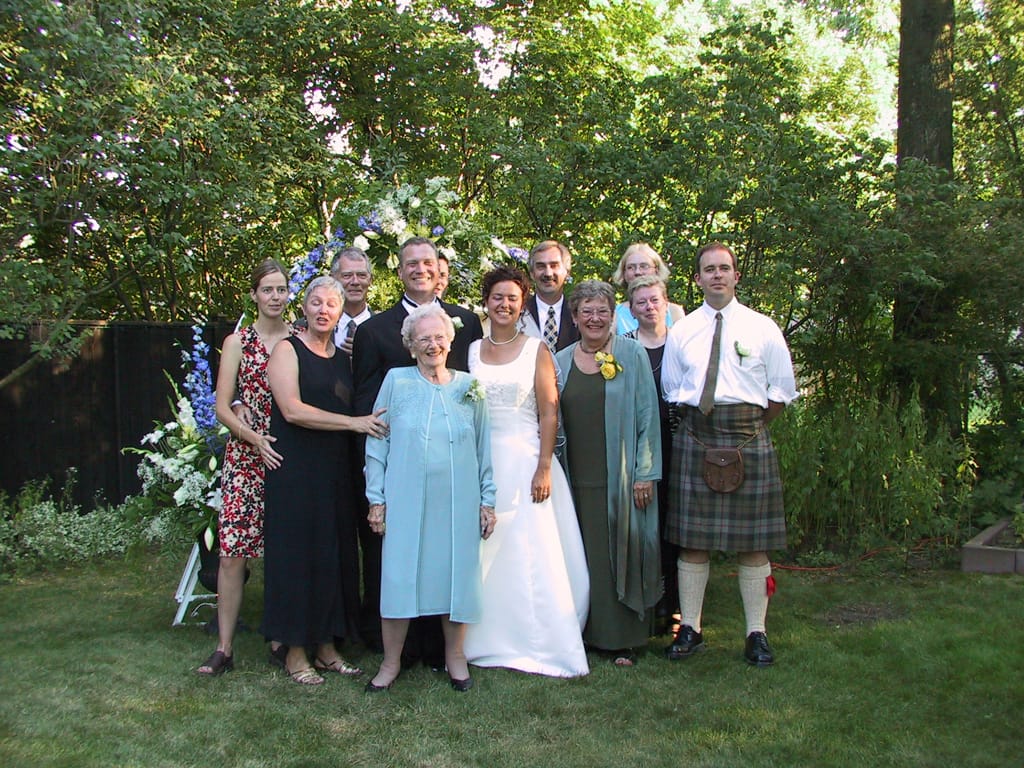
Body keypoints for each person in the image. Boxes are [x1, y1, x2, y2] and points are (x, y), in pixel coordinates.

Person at [661, 242, 798, 668]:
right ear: (698, 278)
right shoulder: (681, 330)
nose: (717, 275)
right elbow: (671, 388)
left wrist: (747, 432)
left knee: (754, 546)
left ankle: (756, 633)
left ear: (737, 276)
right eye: (708, 269)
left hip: (747, 436)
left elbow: (780, 392)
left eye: (724, 268)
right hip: (696, 435)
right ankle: (691, 629)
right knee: (692, 543)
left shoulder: (763, 328)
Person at [352, 236, 483, 661]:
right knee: (400, 568)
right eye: (411, 262)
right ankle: (395, 654)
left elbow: (478, 426)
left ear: (440, 267)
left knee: (449, 568)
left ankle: (446, 654)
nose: (420, 269)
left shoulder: (467, 323)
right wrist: (378, 493)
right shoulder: (375, 332)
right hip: (404, 474)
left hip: (454, 476)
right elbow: (371, 415)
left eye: (428, 262)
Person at [261, 276, 389, 686]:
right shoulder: (287, 350)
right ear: (304, 308)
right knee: (298, 557)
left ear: (340, 311)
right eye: (315, 302)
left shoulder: (342, 357)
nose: (323, 310)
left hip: (335, 469)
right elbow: (293, 410)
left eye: (330, 304)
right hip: (296, 469)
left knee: (335, 555)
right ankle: (295, 652)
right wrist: (353, 423)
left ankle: (328, 647)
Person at [463, 266, 590, 678]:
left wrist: (543, 467)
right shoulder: (470, 350)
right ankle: (481, 639)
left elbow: (549, 410)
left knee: (530, 549)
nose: (504, 304)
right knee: (486, 549)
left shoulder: (536, 348)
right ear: (487, 301)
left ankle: (538, 639)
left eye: (512, 299)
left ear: (522, 305)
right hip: (483, 461)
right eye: (497, 297)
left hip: (526, 458)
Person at [364, 304, 497, 692]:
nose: (432, 344)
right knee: (399, 575)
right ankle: (390, 663)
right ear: (410, 345)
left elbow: (484, 447)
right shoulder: (396, 381)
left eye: (439, 337)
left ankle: (455, 658)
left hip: (457, 499)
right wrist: (377, 499)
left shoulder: (468, 386)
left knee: (456, 574)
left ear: (450, 341)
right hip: (404, 497)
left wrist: (487, 500)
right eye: (423, 338)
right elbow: (377, 442)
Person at [555, 280, 662, 666]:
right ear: (575, 317)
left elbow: (648, 416)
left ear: (613, 315)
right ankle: (583, 633)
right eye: (587, 311)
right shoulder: (560, 360)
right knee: (581, 556)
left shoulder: (631, 355)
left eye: (602, 310)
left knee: (620, 553)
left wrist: (645, 473)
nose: (595, 318)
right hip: (574, 478)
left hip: (620, 476)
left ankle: (623, 639)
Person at [196, 260, 291, 676]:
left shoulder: (299, 339)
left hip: (288, 456)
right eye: (267, 289)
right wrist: (252, 437)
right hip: (246, 459)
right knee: (234, 554)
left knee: (286, 553)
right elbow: (222, 405)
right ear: (254, 295)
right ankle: (224, 647)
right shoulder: (237, 342)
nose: (275, 296)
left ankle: (282, 636)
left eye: (281, 289)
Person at [623, 275, 679, 631]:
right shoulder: (622, 346)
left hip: (679, 442)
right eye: (641, 302)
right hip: (639, 445)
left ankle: (675, 605)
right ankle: (644, 601)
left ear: (666, 303)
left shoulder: (683, 343)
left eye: (654, 300)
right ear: (630, 309)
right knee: (644, 526)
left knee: (675, 524)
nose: (649, 307)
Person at [328, 246, 375, 645]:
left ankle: (373, 621)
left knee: (372, 534)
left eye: (361, 275)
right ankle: (336, 620)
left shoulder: (383, 330)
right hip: (324, 444)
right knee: (334, 537)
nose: (355, 282)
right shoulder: (314, 325)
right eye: (348, 276)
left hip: (370, 445)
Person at [611, 243, 685, 335]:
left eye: (644, 266)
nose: (637, 272)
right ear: (624, 273)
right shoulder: (615, 314)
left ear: (656, 270)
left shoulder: (674, 312)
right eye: (631, 267)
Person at [522, 240, 580, 353]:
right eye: (541, 266)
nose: (548, 273)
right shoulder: (519, 313)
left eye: (554, 265)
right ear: (532, 273)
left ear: (567, 272)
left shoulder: (579, 314)